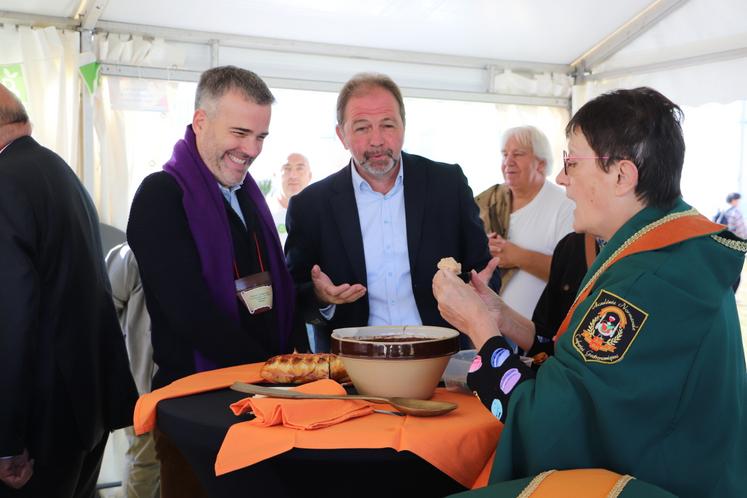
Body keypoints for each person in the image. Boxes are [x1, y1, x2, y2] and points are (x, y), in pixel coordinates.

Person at [433, 87, 746, 498]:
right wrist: (504, 320)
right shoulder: (664, 249)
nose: (562, 178)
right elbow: (592, 370)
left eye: (571, 162)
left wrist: (478, 328)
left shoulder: (644, 280)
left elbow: (545, 422)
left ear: (621, 175)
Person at [127, 66, 308, 498]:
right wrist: (272, 369)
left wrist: (312, 296)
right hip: (197, 409)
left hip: (259, 401)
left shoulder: (245, 194)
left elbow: (259, 294)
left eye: (261, 137)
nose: (251, 150)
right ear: (201, 122)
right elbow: (189, 312)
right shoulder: (161, 196)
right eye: (240, 133)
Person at [285, 72, 498, 351]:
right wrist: (320, 297)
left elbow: (483, 269)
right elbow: (294, 295)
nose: (377, 140)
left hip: (442, 357)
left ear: (403, 127)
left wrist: (481, 289)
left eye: (388, 125)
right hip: (353, 365)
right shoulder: (311, 205)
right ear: (342, 135)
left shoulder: (447, 184)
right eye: (362, 128)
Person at [0, 83, 138, 497]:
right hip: (83, 409)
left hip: (38, 426)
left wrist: (7, 440)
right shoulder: (57, 170)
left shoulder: (5, 183)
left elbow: (13, 319)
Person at [474, 126, 574, 321]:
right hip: (489, 329)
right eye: (504, 155)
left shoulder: (565, 206)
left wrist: (516, 255)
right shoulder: (489, 202)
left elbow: (570, 276)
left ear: (541, 164)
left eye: (518, 154)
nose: (508, 162)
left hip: (539, 337)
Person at [106, 242, 160, 498]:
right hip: (142, 384)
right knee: (144, 461)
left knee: (173, 462)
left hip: (183, 382)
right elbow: (104, 310)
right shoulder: (131, 254)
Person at [266, 152, 312, 246]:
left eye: (300, 168)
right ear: (275, 175)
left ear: (309, 176)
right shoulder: (263, 215)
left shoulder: (320, 214)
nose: (293, 176)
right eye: (287, 168)